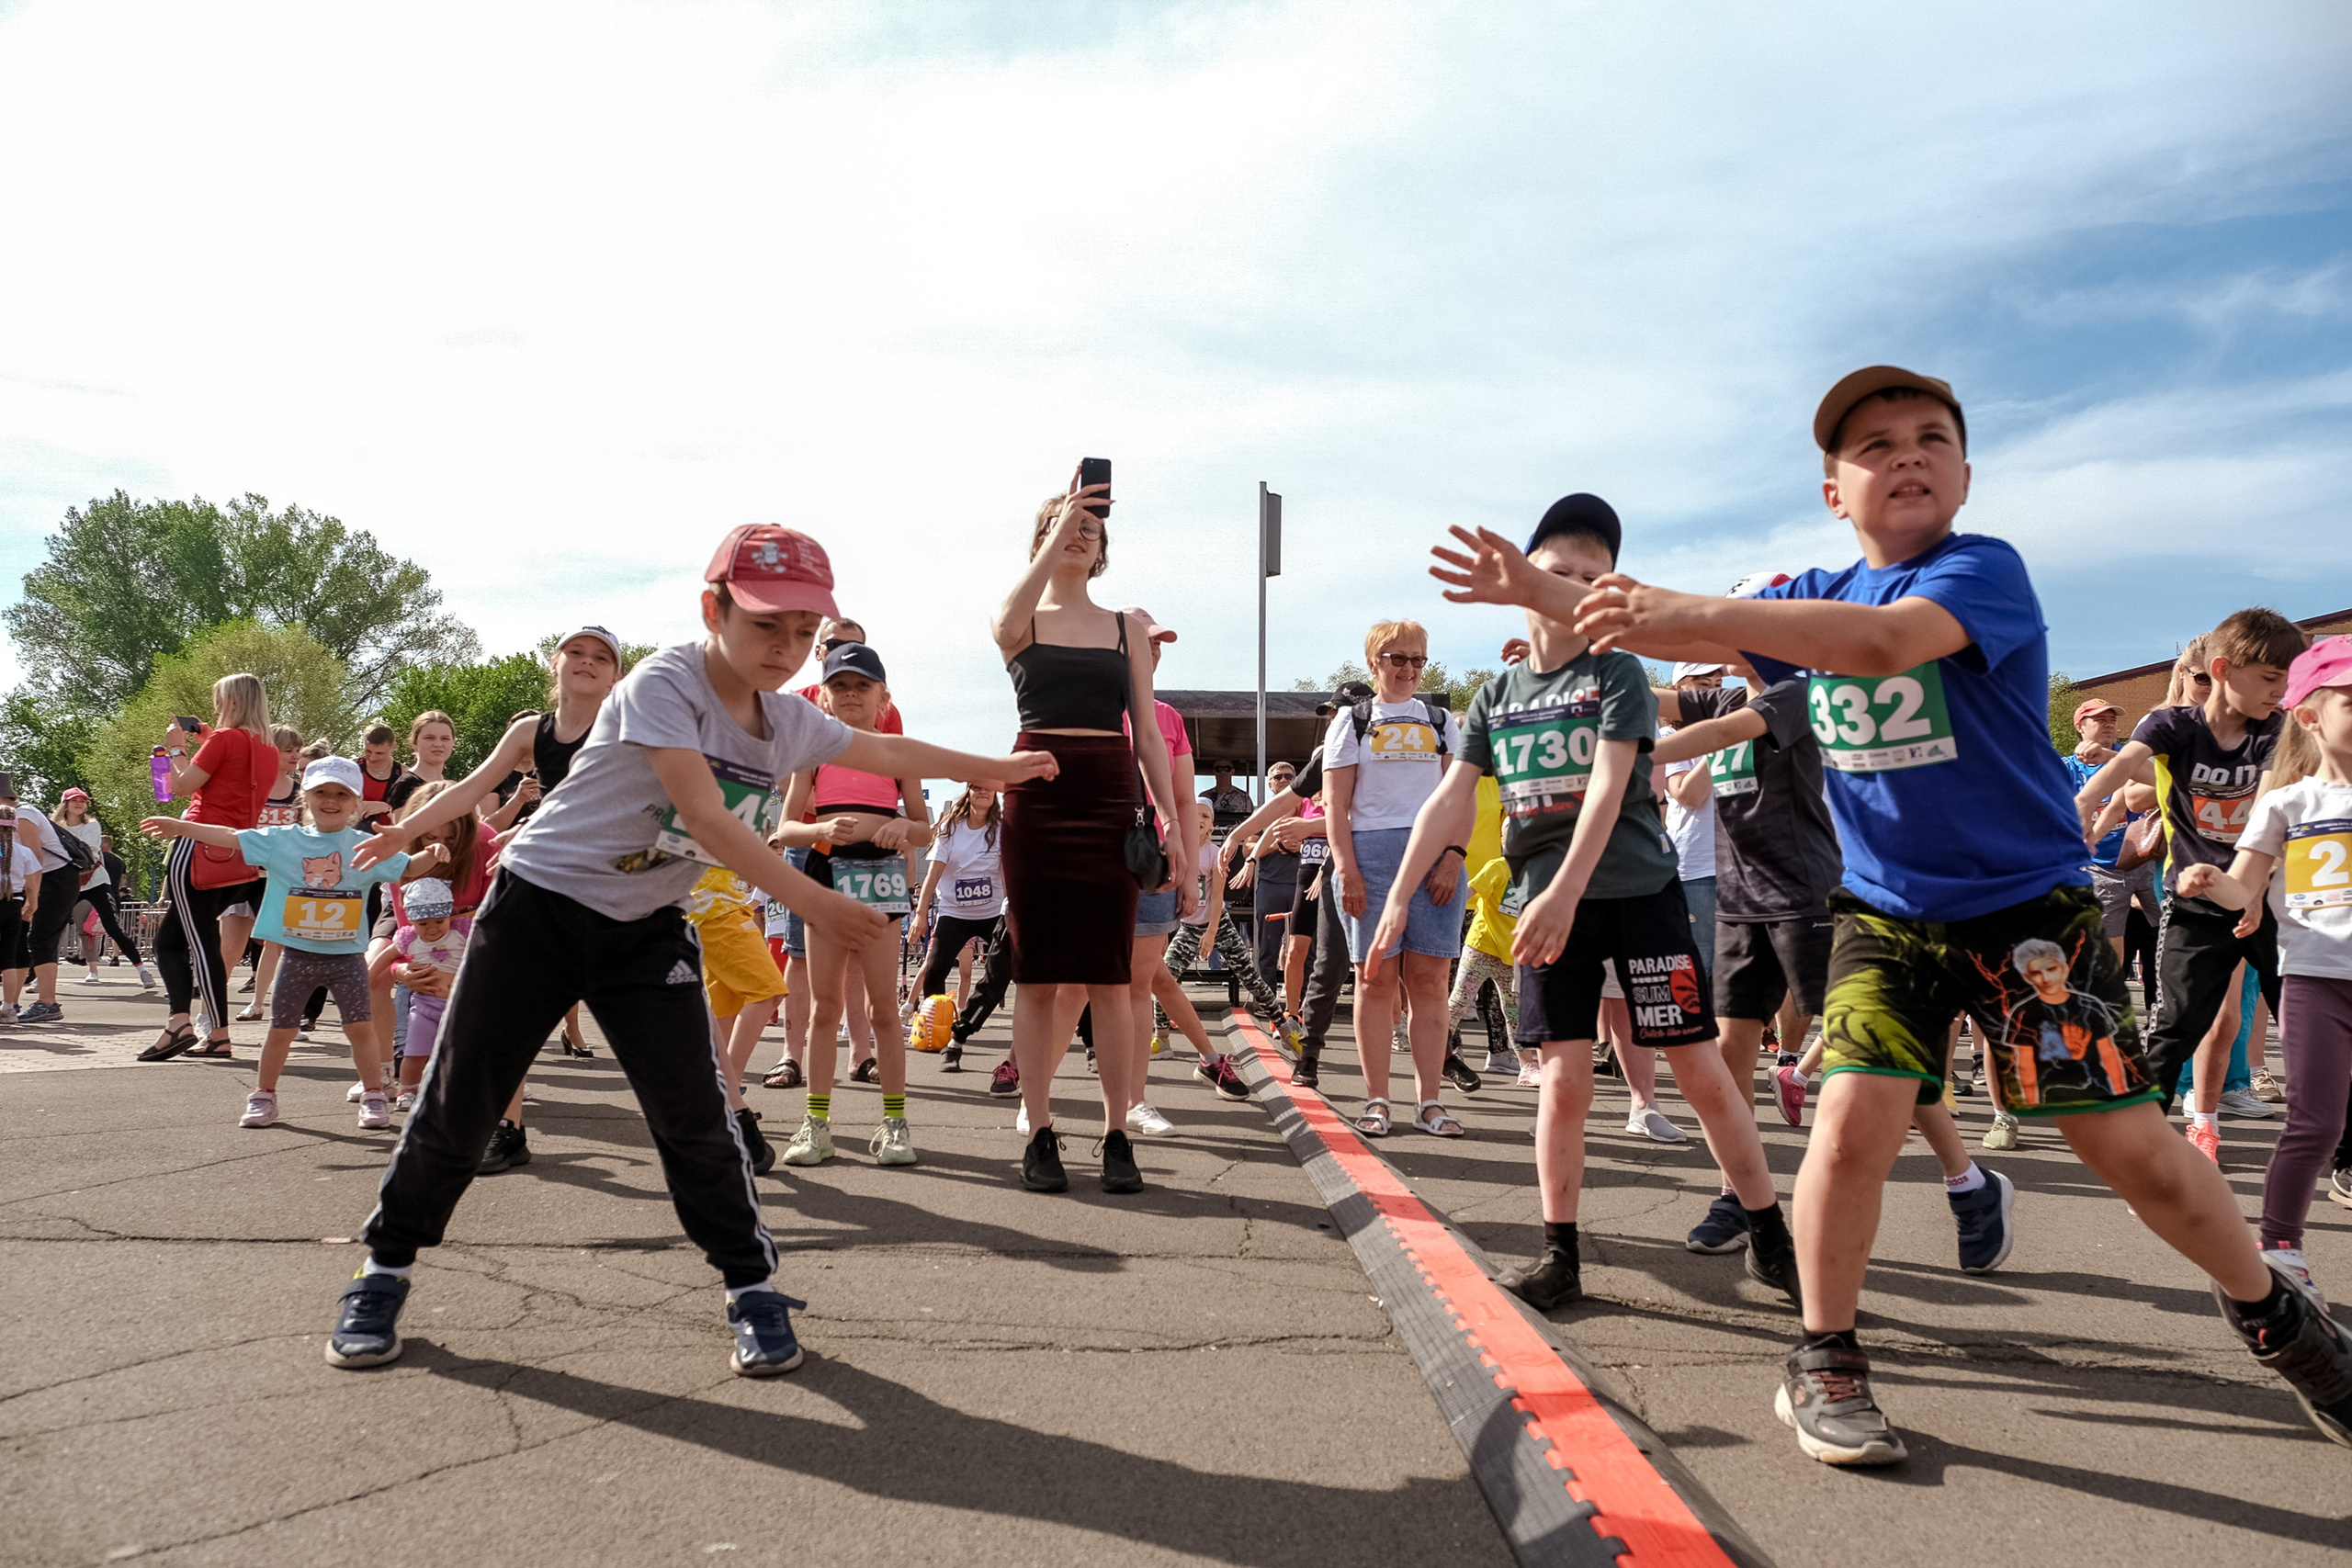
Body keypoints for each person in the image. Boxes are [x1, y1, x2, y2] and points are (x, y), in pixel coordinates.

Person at [1530, 365, 2349, 1462]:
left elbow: (1875, 647)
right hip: (1884, 915)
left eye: (1930, 438)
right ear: (1834, 491)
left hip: (2027, 911)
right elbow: (1666, 638)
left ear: (1964, 475)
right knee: (1848, 1124)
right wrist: (1534, 588)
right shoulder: (1805, 593)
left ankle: (2275, 1316)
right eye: (1874, 446)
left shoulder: (1979, 571)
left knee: (2131, 1151)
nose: (1906, 454)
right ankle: (1824, 1354)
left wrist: (1682, 610)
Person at [322, 524, 1049, 1376]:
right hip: (537, 912)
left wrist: (997, 769)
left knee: (698, 1118)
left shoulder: (789, 719)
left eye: (804, 633)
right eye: (765, 625)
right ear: (714, 610)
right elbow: (703, 814)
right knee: (461, 1100)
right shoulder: (664, 681)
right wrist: (815, 899)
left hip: (643, 930)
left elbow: (889, 748)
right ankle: (383, 1271)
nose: (786, 647)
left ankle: (751, 1287)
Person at [1393, 491, 1798, 1313]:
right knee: (1564, 1079)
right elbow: (1450, 799)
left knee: (1698, 1068)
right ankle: (1560, 1252)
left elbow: (1612, 786)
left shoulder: (1618, 673)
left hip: (1638, 895)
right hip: (1548, 906)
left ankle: (1767, 1230)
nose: (1574, 589)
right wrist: (1398, 897)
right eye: (1560, 572)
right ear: (1525, 578)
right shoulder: (1497, 696)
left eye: (1593, 577)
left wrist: (1566, 892)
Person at [991, 470, 1194, 1196]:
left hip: (1110, 795)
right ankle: (1039, 1129)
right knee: (1037, 973)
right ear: (1042, 538)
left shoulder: (1125, 628)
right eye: (1066, 524)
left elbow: (1147, 733)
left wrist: (1170, 821)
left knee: (1111, 975)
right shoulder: (1022, 619)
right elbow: (1004, 624)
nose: (1080, 535)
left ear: (1104, 548)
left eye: (1092, 527)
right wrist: (1061, 524)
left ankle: (1116, 1133)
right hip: (1036, 793)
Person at [2074, 607, 2305, 1161]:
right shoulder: (2172, 726)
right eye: (2270, 678)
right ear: (2222, 670)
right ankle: (2141, 1149)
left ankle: (2339, 1150)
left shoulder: (2276, 731)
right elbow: (2124, 767)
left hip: (2263, 895)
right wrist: (2083, 803)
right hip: (2194, 901)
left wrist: (2252, 887)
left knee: (2305, 1027)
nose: (2280, 692)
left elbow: (2268, 811)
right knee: (2174, 1026)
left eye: (2287, 680)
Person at [2180, 637, 2352, 1310]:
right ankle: (2280, 1248)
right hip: (2315, 979)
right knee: (2316, 1121)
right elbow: (2243, 888)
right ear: (2310, 717)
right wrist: (2210, 880)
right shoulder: (2287, 803)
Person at [142, 756, 445, 1130]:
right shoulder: (283, 840)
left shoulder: (365, 846)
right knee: (281, 1030)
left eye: (341, 794)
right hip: (297, 957)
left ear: (356, 803)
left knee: (360, 1029)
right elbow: (232, 837)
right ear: (306, 797)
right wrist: (181, 827)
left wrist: (430, 854)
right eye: (321, 792)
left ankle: (373, 1095)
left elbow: (407, 867)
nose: (330, 800)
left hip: (347, 959)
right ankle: (263, 1096)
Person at [775, 640, 931, 1168]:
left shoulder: (899, 752)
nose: (849, 694)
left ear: (883, 696)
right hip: (825, 874)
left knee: (884, 1007)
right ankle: (816, 1125)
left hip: (881, 877)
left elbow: (925, 829)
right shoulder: (813, 755)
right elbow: (785, 829)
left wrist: (902, 827)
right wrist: (818, 829)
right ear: (823, 696)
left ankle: (895, 1125)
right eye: (838, 686)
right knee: (825, 1008)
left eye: (861, 686)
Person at [1324, 620, 1468, 1139]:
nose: (1408, 669)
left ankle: (1429, 1101)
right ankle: (1377, 1099)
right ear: (1374, 663)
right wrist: (1347, 869)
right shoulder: (1352, 720)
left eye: (1417, 659)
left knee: (1430, 982)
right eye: (1397, 658)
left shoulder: (1441, 719)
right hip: (1371, 857)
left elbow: (1461, 796)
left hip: (1436, 859)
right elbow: (1335, 805)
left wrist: (1453, 856)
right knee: (1375, 980)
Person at [137, 675, 278, 1060]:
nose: (215, 707)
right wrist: (207, 739)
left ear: (231, 702)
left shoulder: (224, 740)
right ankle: (181, 1023)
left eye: (219, 700)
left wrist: (176, 748)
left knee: (198, 944)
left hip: (198, 846)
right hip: (240, 852)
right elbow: (233, 779)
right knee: (173, 940)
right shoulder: (267, 747)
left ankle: (213, 1032)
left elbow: (181, 786)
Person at [683, 863, 784, 1172]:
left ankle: (709, 1103)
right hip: (716, 908)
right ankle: (727, 1094)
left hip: (712, 906)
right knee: (768, 991)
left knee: (725, 1007)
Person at [368, 877, 469, 1114]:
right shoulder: (409, 939)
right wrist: (369, 977)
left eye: (439, 921)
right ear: (412, 921)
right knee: (414, 1053)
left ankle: (457, 1091)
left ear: (449, 915)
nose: (432, 929)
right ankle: (407, 1089)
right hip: (424, 1007)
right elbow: (387, 956)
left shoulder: (460, 933)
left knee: (461, 1053)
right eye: (423, 924)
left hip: (460, 1006)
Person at [236, 726, 307, 1021]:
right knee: (230, 944)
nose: (295, 755)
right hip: (244, 875)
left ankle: (266, 1004)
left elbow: (306, 834)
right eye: (288, 750)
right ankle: (210, 1011)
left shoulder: (300, 792)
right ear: (270, 751)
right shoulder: (251, 787)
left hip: (282, 877)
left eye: (297, 750)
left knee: (278, 941)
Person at [53, 789, 153, 989]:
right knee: (52, 929)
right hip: (69, 883)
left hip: (96, 882)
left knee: (113, 928)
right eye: (74, 800)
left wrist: (58, 853)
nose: (79, 803)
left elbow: (84, 850)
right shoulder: (54, 827)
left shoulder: (91, 825)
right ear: (65, 804)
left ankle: (142, 970)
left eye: (83, 801)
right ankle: (42, 975)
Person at [0, 785, 44, 1021]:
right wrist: (32, 905)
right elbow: (31, 885)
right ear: (15, 826)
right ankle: (9, 1008)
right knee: (8, 958)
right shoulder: (24, 852)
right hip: (14, 905)